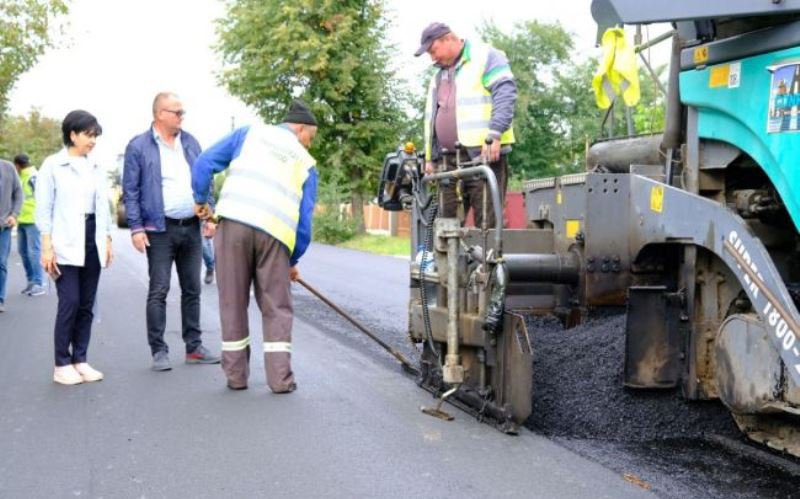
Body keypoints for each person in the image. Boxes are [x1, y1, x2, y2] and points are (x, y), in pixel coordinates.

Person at [191, 99, 318, 393]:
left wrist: (201, 200)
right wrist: (292, 258)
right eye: (310, 137)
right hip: (274, 237)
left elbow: (204, 163)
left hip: (233, 226)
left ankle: (236, 377)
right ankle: (280, 380)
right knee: (276, 306)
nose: (309, 144)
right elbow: (304, 221)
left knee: (232, 301)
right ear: (300, 129)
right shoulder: (306, 163)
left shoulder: (248, 134)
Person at [122, 92, 220, 371]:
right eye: (177, 112)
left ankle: (194, 347)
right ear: (159, 114)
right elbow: (131, 191)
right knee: (159, 289)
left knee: (193, 288)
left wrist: (210, 214)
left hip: (190, 227)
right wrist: (136, 228)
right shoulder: (138, 146)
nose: (181, 117)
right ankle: (159, 350)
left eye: (182, 112)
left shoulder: (190, 142)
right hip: (159, 230)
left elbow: (206, 180)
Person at [35, 110, 113, 385]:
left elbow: (103, 206)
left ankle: (81, 359)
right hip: (65, 239)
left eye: (95, 136)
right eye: (88, 134)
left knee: (87, 304)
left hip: (92, 236)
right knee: (70, 301)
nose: (92, 140)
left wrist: (107, 238)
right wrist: (46, 246)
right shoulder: (53, 165)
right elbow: (43, 209)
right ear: (72, 134)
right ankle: (61, 363)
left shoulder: (96, 166)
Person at [415, 22, 517, 227]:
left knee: (487, 222)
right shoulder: (438, 75)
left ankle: (487, 258)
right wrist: (429, 158)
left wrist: (495, 134)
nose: (433, 58)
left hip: (483, 154)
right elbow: (432, 117)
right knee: (445, 223)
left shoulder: (486, 56)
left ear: (448, 39)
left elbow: (505, 95)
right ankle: (446, 258)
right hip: (446, 158)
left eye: (433, 51)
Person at [14, 154, 46, 296]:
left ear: (18, 165)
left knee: (34, 252)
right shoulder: (22, 176)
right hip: (22, 219)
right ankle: (31, 281)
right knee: (23, 251)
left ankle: (39, 283)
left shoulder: (33, 176)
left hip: (33, 219)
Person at [0, 158, 22, 313]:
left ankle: (0, 299)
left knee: (0, 263)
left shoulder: (7, 168)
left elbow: (18, 193)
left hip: (3, 226)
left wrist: (14, 214)